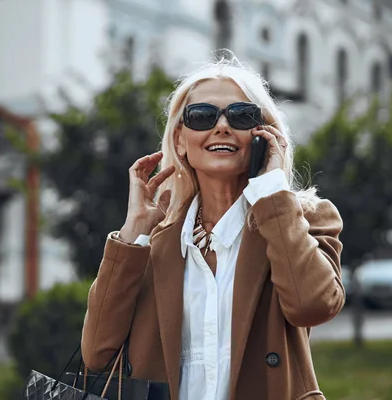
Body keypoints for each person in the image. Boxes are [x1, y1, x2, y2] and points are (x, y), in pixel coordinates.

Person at [81, 54, 345, 400]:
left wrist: (274, 196)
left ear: (264, 135)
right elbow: (97, 353)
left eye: (240, 115)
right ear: (180, 141)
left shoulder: (305, 218)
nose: (222, 126)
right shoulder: (156, 240)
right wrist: (134, 231)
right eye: (202, 116)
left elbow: (313, 306)